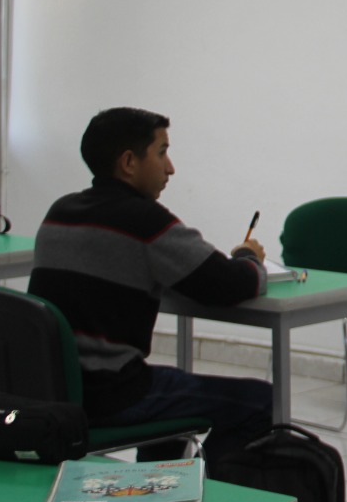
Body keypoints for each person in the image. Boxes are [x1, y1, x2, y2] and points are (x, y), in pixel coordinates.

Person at [28, 107, 273, 462]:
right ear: (129, 162)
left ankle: (163, 492)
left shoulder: (59, 211)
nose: (170, 167)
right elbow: (231, 284)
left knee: (173, 394)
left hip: (54, 390)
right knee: (263, 401)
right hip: (111, 394)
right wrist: (249, 257)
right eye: (162, 152)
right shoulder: (144, 220)